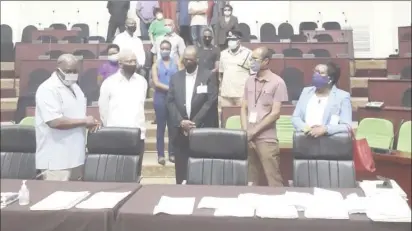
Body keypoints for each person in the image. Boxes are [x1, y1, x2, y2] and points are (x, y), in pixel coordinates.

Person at [35, 54, 100, 181]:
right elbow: (54, 121)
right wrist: (84, 121)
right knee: (56, 198)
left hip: (76, 157)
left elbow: (75, 115)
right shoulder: (47, 88)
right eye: (68, 71)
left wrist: (89, 122)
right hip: (56, 160)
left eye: (75, 71)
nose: (72, 74)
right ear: (58, 69)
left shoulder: (76, 87)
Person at [167, 46, 219, 184]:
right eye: (185, 59)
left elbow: (210, 101)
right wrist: (182, 122)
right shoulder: (175, 77)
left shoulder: (208, 75)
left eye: (190, 59)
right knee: (181, 168)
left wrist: (194, 123)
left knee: (202, 166)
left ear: (197, 59)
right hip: (180, 131)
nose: (187, 62)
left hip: (202, 128)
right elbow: (170, 102)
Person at [240, 47, 289, 187]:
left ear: (266, 61)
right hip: (248, 138)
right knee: (250, 180)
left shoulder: (278, 82)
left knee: (273, 179)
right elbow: (243, 107)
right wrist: (245, 132)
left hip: (266, 138)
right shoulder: (249, 80)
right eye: (251, 59)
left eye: (255, 59)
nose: (251, 62)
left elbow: (275, 113)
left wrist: (253, 132)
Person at [98, 49, 147, 157]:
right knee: (116, 169)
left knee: (136, 169)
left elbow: (141, 104)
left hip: (138, 133)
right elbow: (103, 110)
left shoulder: (142, 81)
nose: (133, 64)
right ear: (120, 64)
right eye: (129, 62)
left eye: (135, 61)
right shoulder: (109, 83)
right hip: (116, 133)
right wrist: (110, 126)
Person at [292, 63, 352, 137]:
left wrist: (325, 129)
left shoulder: (342, 96)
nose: (315, 75)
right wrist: (308, 129)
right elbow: (295, 118)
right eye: (315, 71)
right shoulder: (306, 92)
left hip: (329, 142)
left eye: (320, 73)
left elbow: (347, 126)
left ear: (330, 79)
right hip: (306, 139)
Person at [152, 40, 180, 165]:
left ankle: (172, 153)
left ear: (170, 49)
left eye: (167, 48)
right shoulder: (156, 65)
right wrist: (171, 88)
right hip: (160, 97)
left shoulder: (177, 63)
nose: (164, 50)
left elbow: (181, 77)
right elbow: (156, 82)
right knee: (161, 128)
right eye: (162, 48)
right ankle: (161, 155)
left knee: (173, 127)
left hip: (174, 99)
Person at [219, 30, 251, 107]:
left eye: (233, 40)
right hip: (226, 94)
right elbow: (221, 73)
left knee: (242, 117)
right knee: (226, 117)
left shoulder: (248, 53)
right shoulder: (223, 54)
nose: (230, 42)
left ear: (239, 41)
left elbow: (253, 73)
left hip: (241, 94)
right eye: (229, 40)